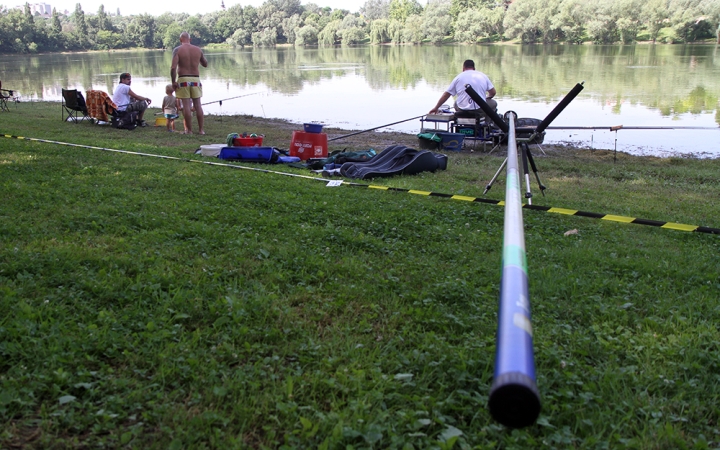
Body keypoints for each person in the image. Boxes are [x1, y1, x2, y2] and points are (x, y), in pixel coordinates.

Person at [171, 31, 208, 135]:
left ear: (180, 40)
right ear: (190, 39)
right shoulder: (198, 49)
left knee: (186, 106)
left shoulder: (177, 50)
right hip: (196, 79)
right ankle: (201, 130)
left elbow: (173, 67)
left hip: (183, 79)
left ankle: (189, 130)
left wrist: (173, 81)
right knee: (198, 105)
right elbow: (205, 64)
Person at [429, 59, 497, 116]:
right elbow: (493, 92)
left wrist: (436, 107)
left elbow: (446, 95)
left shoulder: (458, 77)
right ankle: (488, 124)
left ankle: (461, 117)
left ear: (463, 68)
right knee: (493, 103)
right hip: (479, 108)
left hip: (462, 108)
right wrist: (485, 98)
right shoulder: (482, 76)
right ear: (474, 68)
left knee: (456, 103)